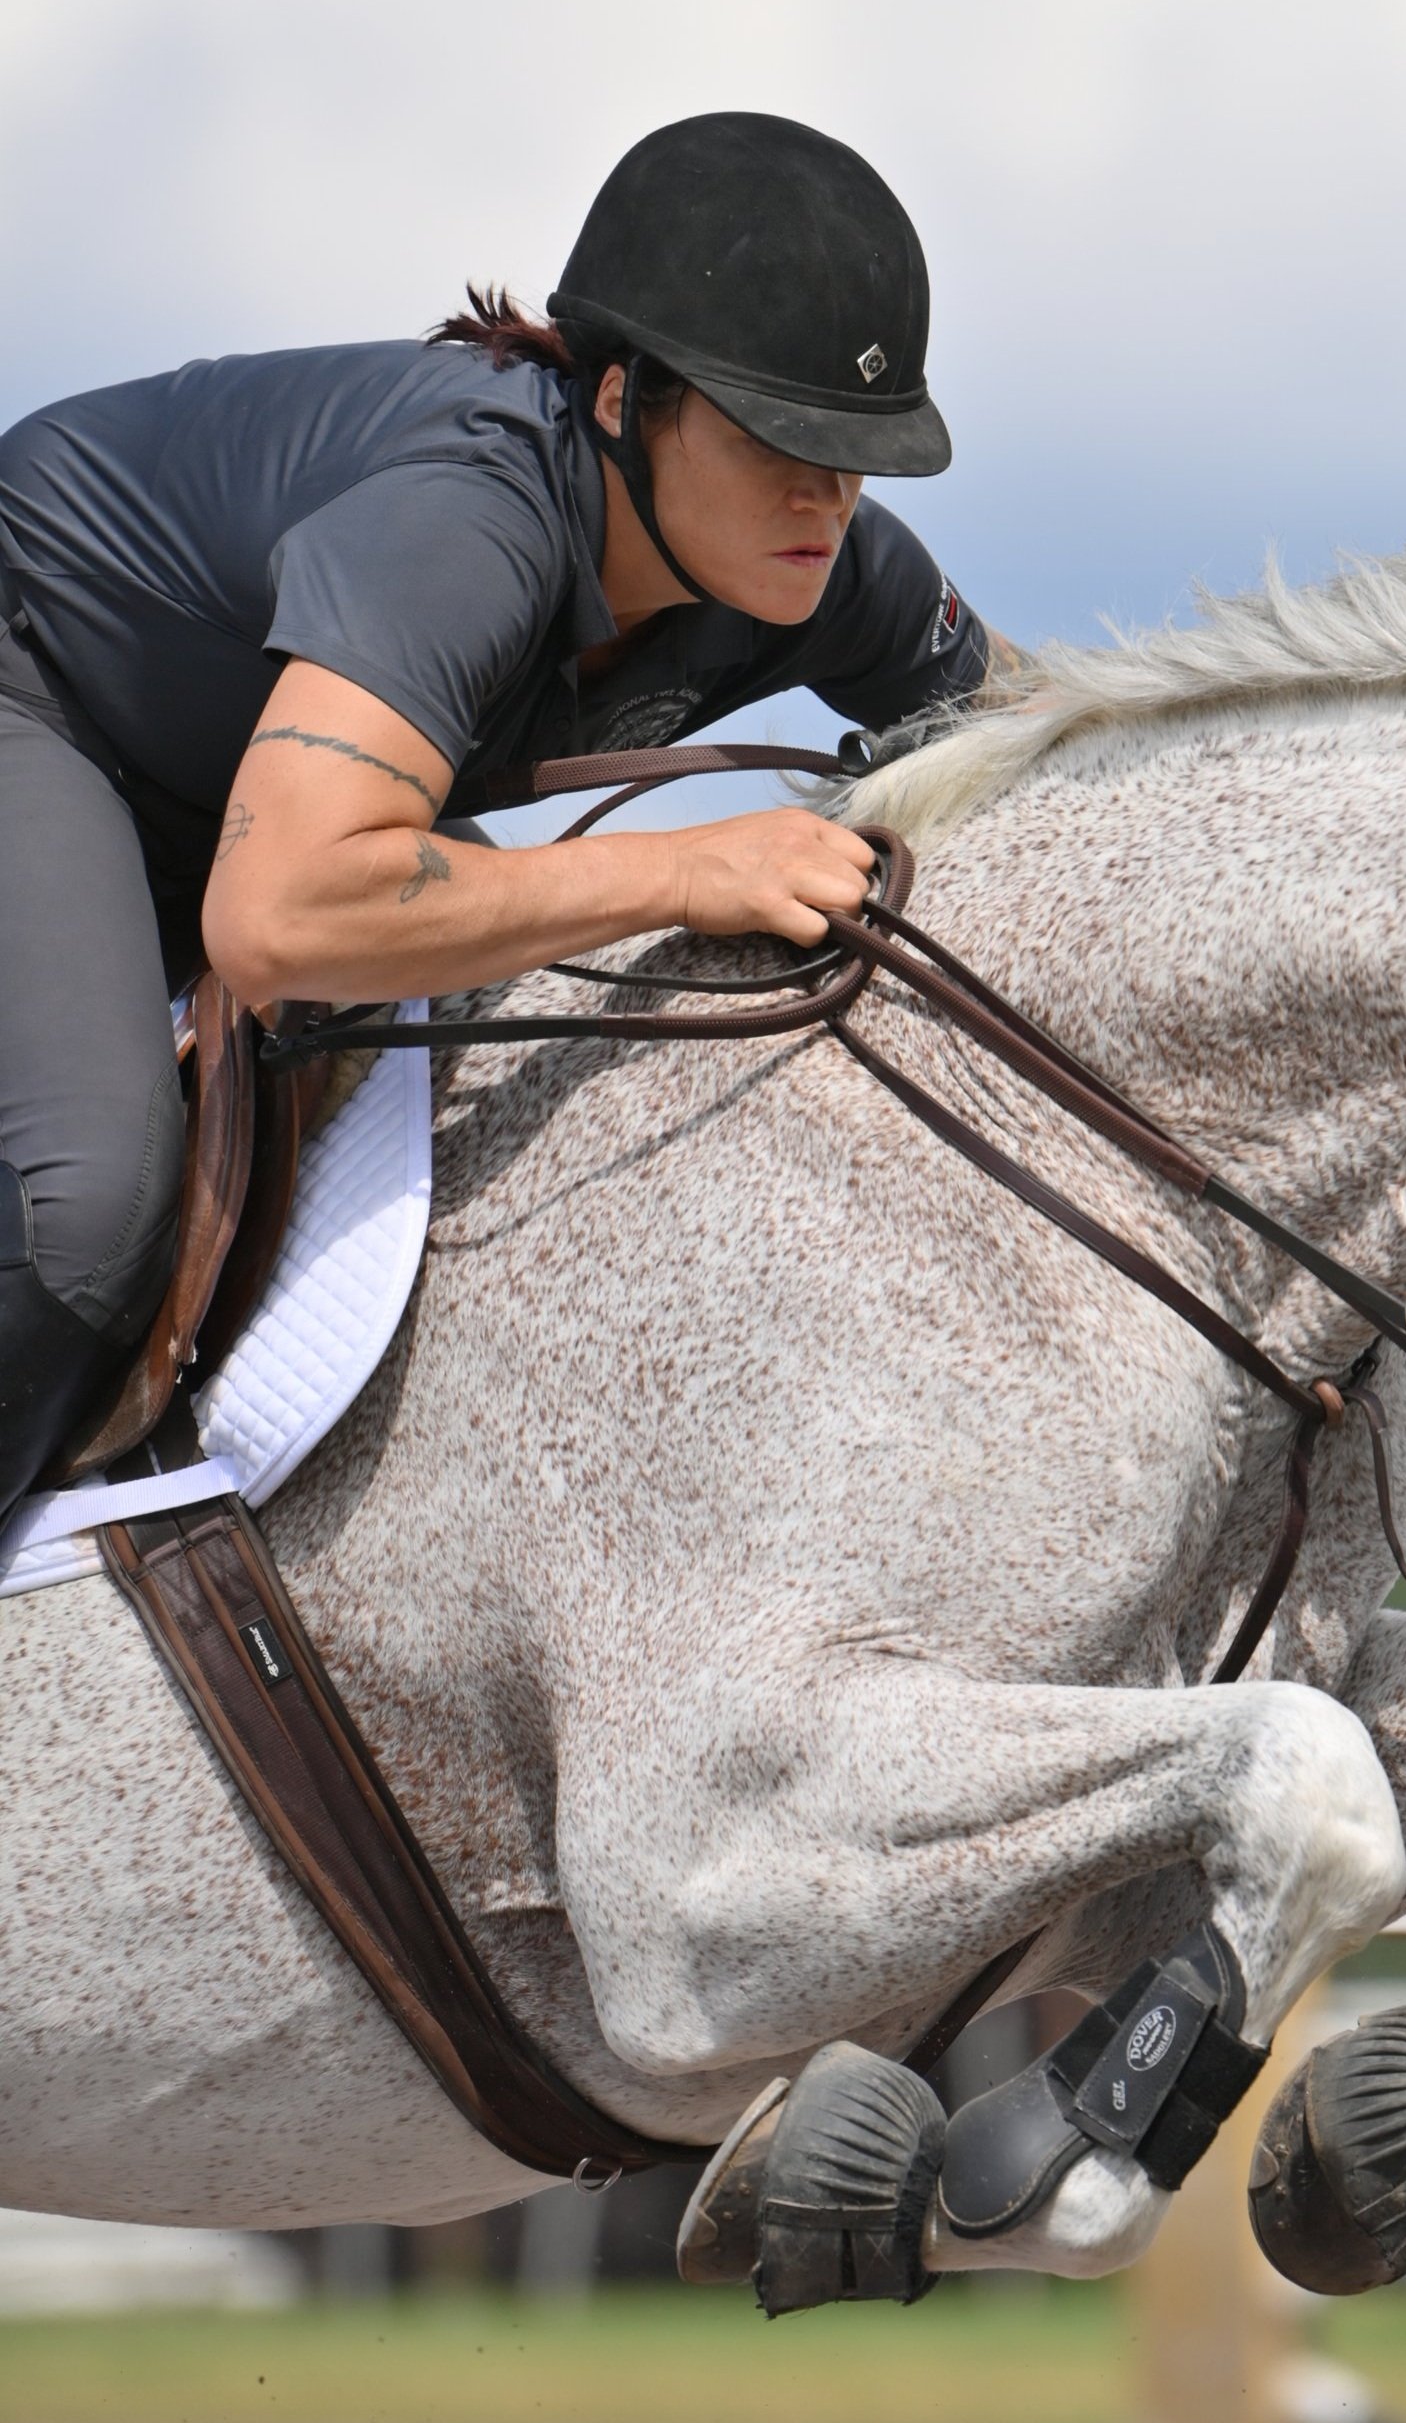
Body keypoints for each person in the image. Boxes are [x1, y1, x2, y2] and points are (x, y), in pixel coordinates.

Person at [0, 112, 997, 1524]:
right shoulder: (472, 516)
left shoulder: (827, 566)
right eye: (779, 434)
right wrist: (685, 869)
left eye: (856, 450)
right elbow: (279, 916)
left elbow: (1053, 757)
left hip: (223, 781)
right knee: (91, 1208)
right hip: (39, 693)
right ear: (616, 401)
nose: (825, 494)